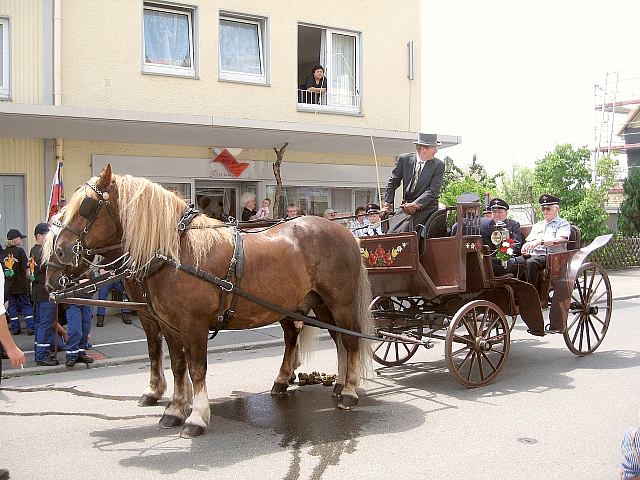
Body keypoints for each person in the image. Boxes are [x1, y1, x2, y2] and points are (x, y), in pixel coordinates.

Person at [0, 218, 25, 480]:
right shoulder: (16, 253)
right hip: (17, 287)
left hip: (10, 289)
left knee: (17, 315)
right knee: (21, 313)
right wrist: (10, 347)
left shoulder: (4, 254)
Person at [381, 132, 445, 233]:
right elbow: (393, 182)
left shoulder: (438, 165)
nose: (436, 151)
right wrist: (387, 204)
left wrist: (415, 205)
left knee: (406, 231)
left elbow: (433, 191)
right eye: (434, 147)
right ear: (423, 148)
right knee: (391, 232)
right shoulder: (404, 159)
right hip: (406, 206)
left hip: (426, 207)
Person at [521, 194, 571, 287]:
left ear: (556, 209)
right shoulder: (537, 225)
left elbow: (561, 239)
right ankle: (516, 292)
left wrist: (541, 242)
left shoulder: (563, 223)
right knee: (516, 262)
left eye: (548, 209)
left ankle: (531, 295)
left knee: (531, 263)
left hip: (551, 257)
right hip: (534, 255)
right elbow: (529, 241)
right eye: (543, 209)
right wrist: (525, 247)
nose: (545, 211)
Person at [29, 222, 60, 366]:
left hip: (36, 291)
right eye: (47, 234)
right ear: (38, 236)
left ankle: (40, 351)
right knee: (45, 324)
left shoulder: (33, 251)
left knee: (40, 323)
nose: (49, 237)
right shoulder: (43, 251)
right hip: (45, 292)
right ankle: (42, 355)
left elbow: (30, 275)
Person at [2, 229, 34, 335]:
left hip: (9, 285)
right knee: (26, 305)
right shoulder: (20, 251)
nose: (21, 240)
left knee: (12, 307)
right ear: (16, 239)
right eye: (20, 238)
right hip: (21, 285)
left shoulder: (4, 253)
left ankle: (15, 329)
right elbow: (25, 267)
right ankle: (30, 328)